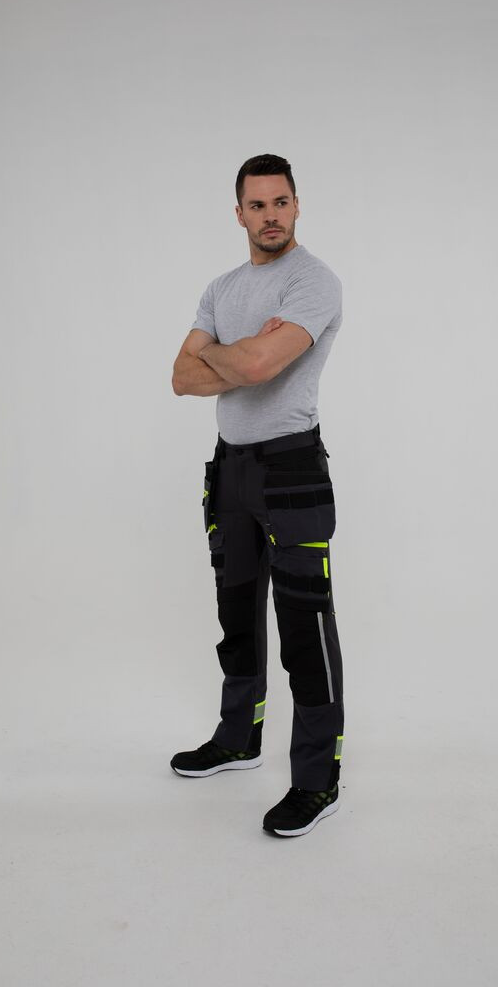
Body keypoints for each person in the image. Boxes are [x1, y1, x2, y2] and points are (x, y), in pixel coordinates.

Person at [169, 153, 346, 837]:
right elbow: (181, 377)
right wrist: (240, 355)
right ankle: (238, 738)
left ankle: (317, 780)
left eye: (281, 202)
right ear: (238, 213)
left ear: (296, 206)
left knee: (304, 628)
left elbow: (262, 365)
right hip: (230, 471)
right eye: (257, 205)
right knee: (236, 615)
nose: (270, 216)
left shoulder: (313, 282)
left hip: (292, 468)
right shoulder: (221, 288)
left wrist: (230, 355)